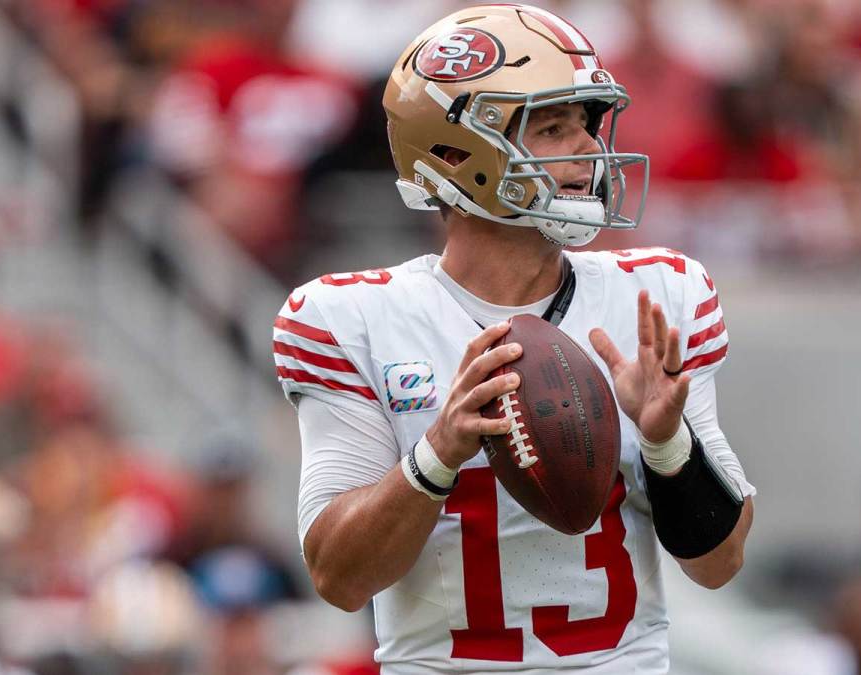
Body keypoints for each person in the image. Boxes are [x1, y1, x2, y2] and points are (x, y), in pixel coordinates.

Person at [272, 4, 755, 672]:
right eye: (553, 127)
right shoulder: (351, 317)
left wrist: (668, 442)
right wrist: (435, 456)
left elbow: (720, 562)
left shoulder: (659, 296)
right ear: (457, 150)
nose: (590, 148)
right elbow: (339, 577)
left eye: (587, 123)